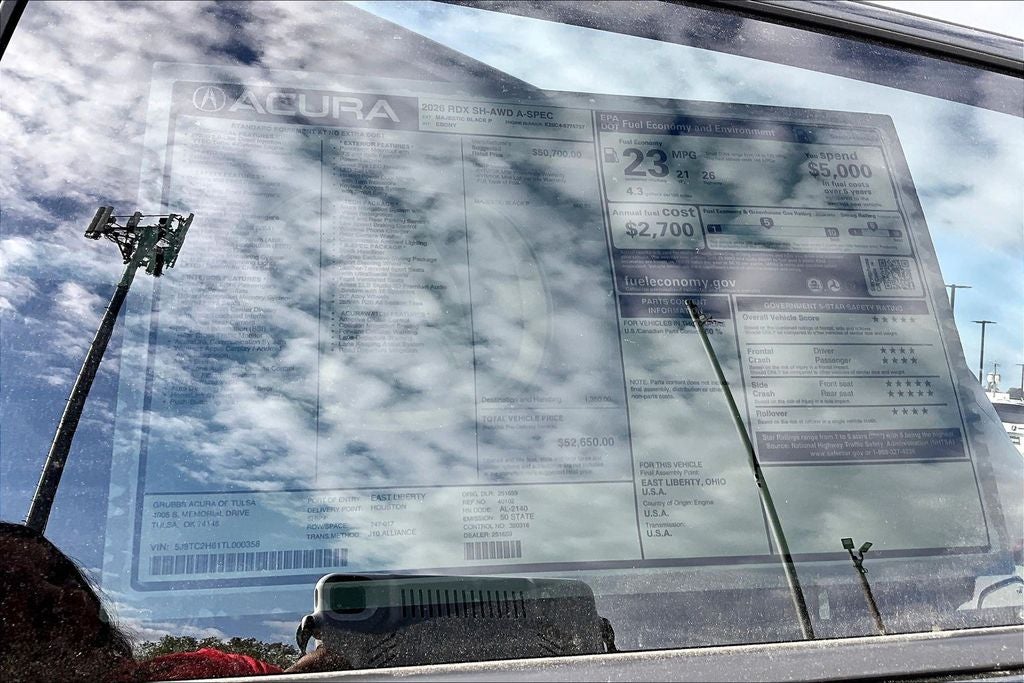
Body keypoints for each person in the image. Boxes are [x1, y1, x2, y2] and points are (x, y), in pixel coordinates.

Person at [0, 522, 284, 682]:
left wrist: (305, 670)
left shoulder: (204, 671)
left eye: (57, 574)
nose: (64, 593)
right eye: (13, 584)